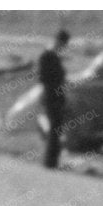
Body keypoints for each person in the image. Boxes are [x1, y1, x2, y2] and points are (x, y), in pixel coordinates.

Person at [37, 28, 69, 169]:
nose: (63, 47)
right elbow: (43, 78)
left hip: (58, 96)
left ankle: (53, 160)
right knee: (54, 130)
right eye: (63, 44)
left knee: (57, 129)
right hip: (51, 97)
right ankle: (50, 162)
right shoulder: (47, 56)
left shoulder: (55, 56)